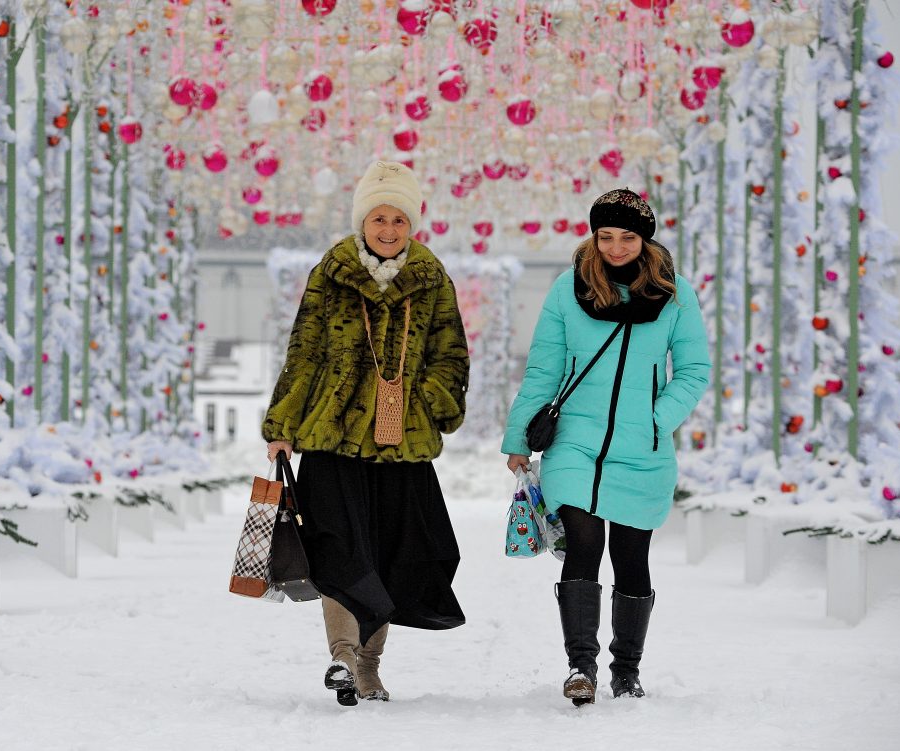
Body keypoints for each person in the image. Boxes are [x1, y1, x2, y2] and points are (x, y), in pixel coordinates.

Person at [263, 160, 469, 707]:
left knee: (389, 554)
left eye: (398, 219)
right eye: (378, 218)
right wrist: (282, 425)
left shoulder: (431, 278)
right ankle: (343, 656)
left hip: (400, 441)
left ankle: (370, 669)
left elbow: (451, 356)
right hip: (333, 435)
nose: (388, 229)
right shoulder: (330, 273)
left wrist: (429, 405)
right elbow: (303, 350)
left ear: (411, 224)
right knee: (336, 546)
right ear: (362, 220)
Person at [502, 188, 710, 706]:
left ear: (645, 239)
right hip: (574, 442)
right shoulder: (566, 291)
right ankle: (581, 667)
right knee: (584, 542)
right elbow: (543, 370)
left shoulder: (676, 295)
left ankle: (627, 670)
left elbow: (693, 370)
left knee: (631, 553)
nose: (615, 247)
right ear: (594, 237)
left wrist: (657, 419)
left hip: (643, 447)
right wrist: (517, 438)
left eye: (627, 237)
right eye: (606, 236)